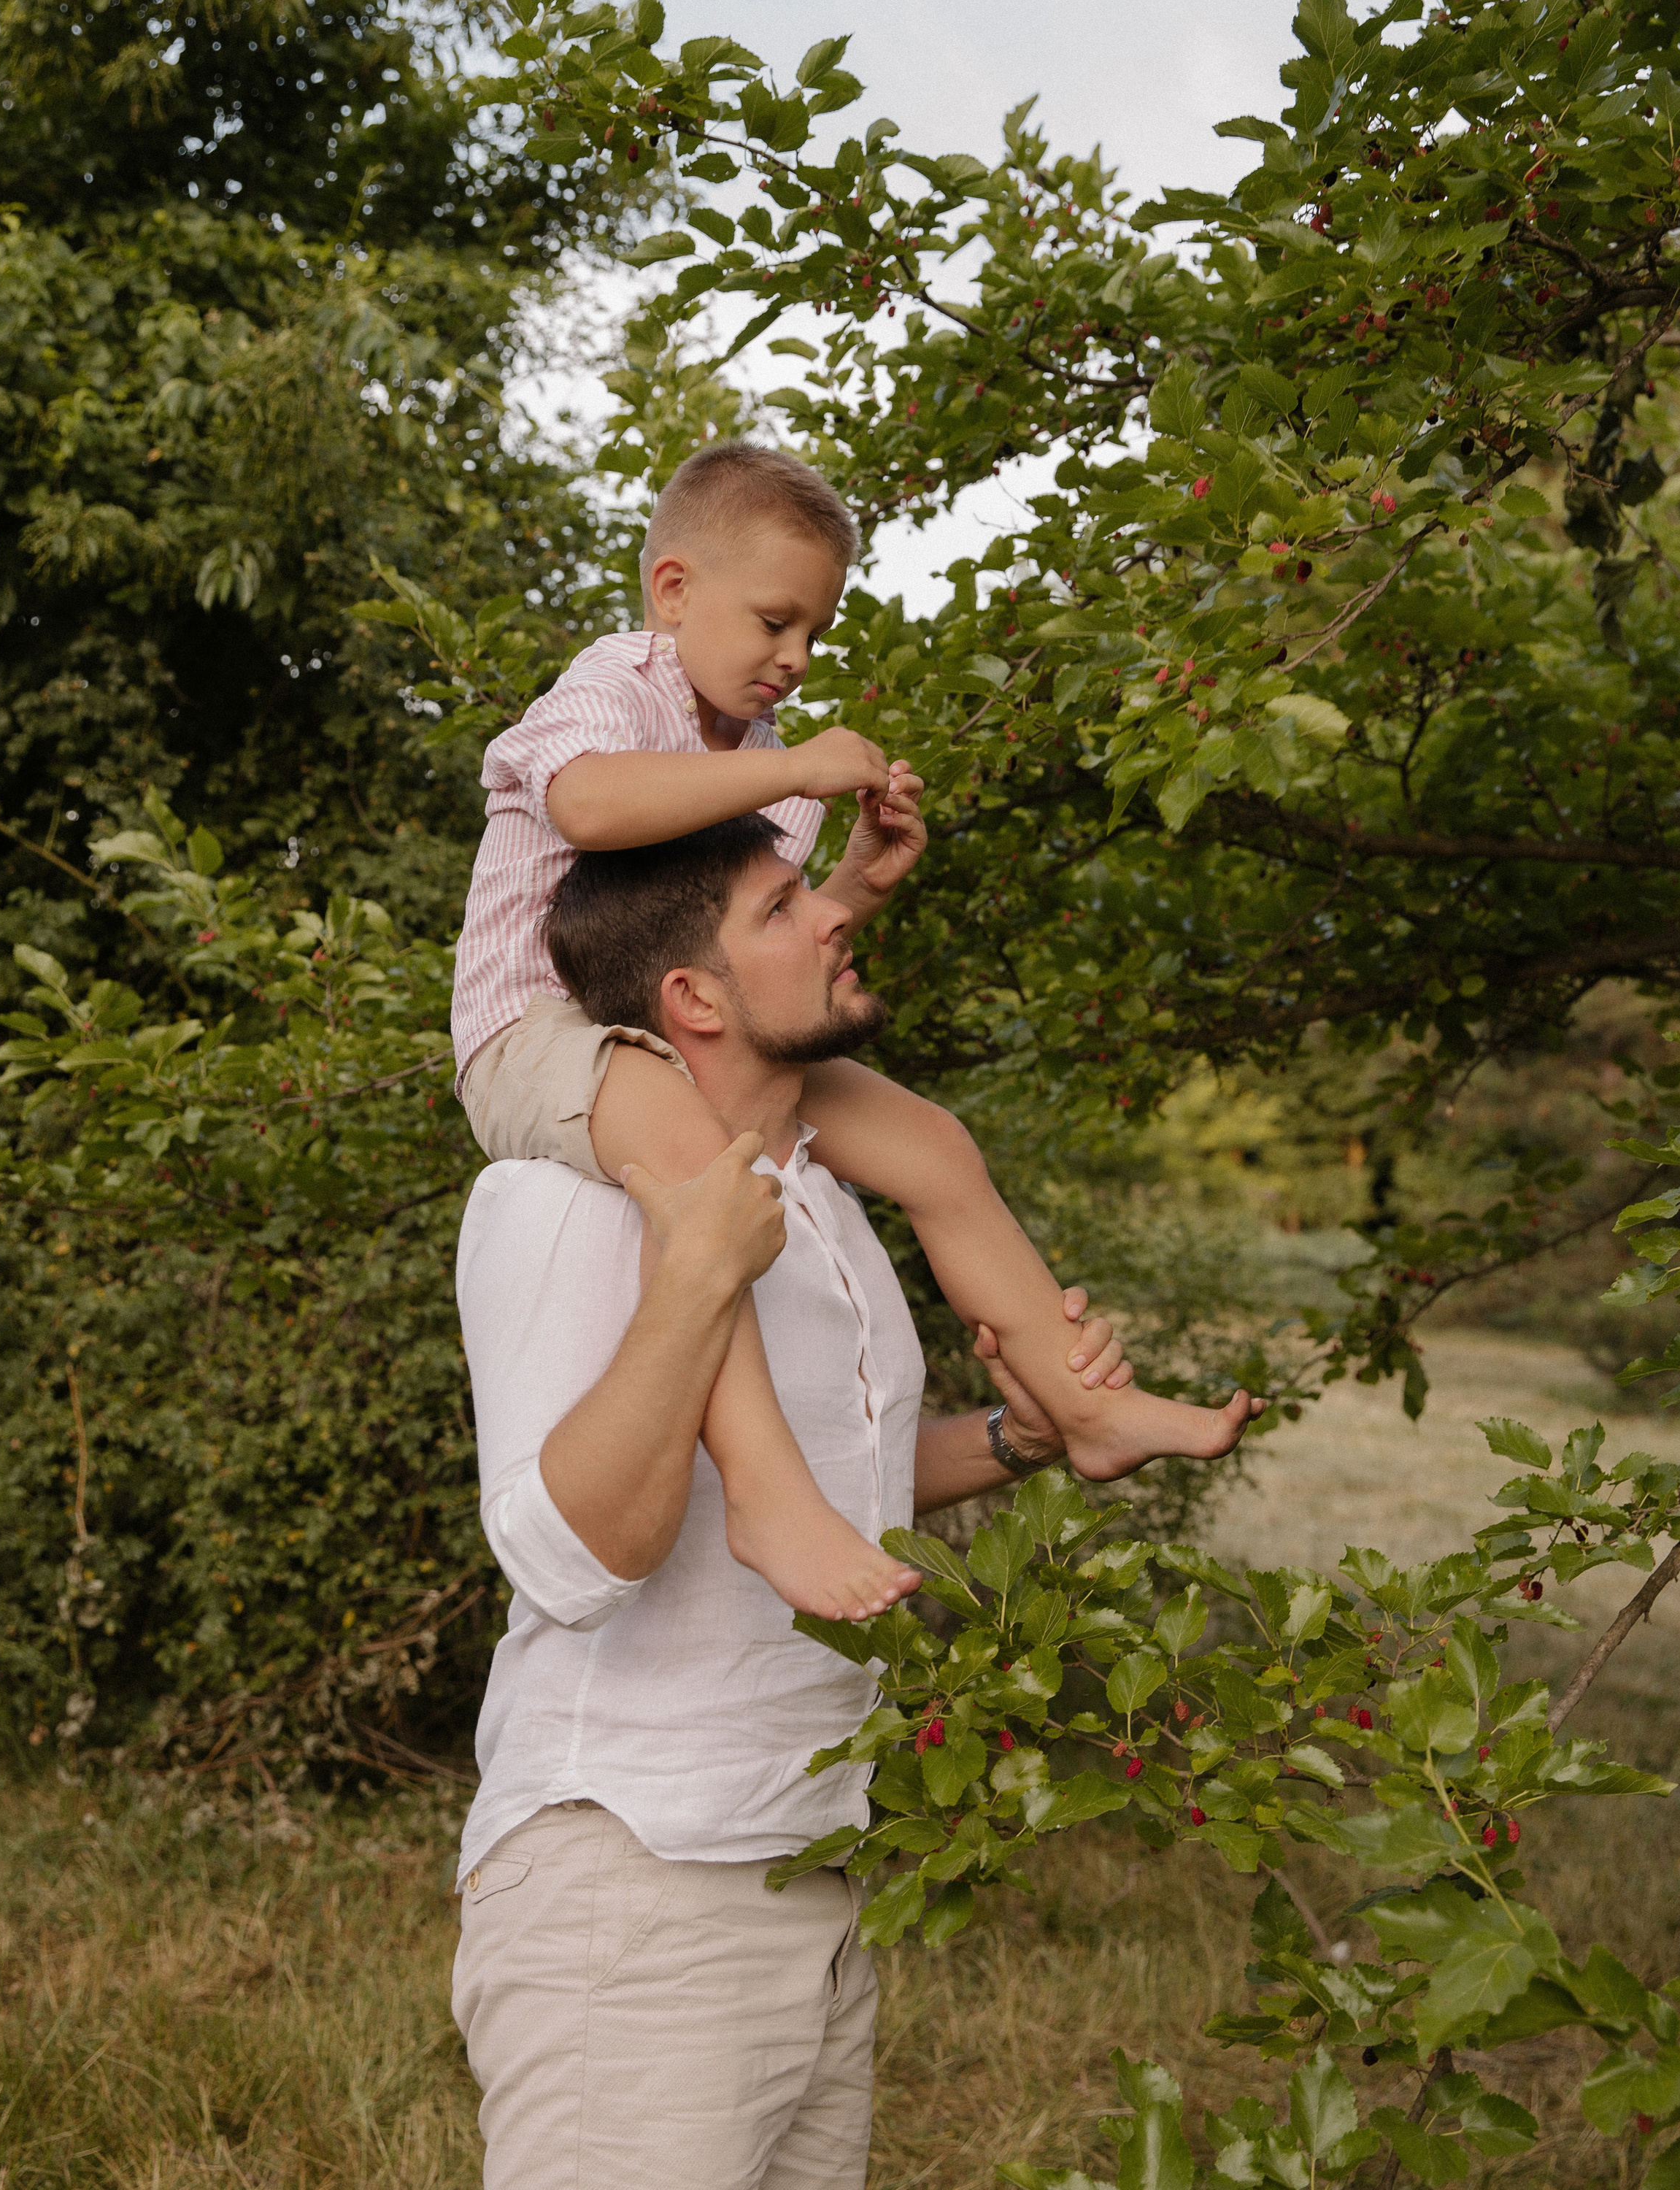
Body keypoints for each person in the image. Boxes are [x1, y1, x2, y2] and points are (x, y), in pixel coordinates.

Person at [452, 814, 1244, 2189]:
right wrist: (694, 1277)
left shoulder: (823, 1200)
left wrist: (1024, 1433)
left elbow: (850, 1476)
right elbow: (572, 1553)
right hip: (637, 1883)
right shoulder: (557, 1203)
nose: (832, 918)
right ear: (691, 997)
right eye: (779, 909)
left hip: (810, 1866)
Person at [450, 439, 1257, 1629]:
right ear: (673, 592)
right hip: (543, 1030)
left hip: (691, 1030)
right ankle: (770, 1497)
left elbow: (756, 952)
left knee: (929, 1142)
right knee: (702, 1174)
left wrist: (862, 880)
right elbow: (588, 803)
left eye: (816, 634)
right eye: (775, 620)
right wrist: (811, 770)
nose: (795, 657)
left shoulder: (767, 761)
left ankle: (1081, 1409)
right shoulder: (618, 684)